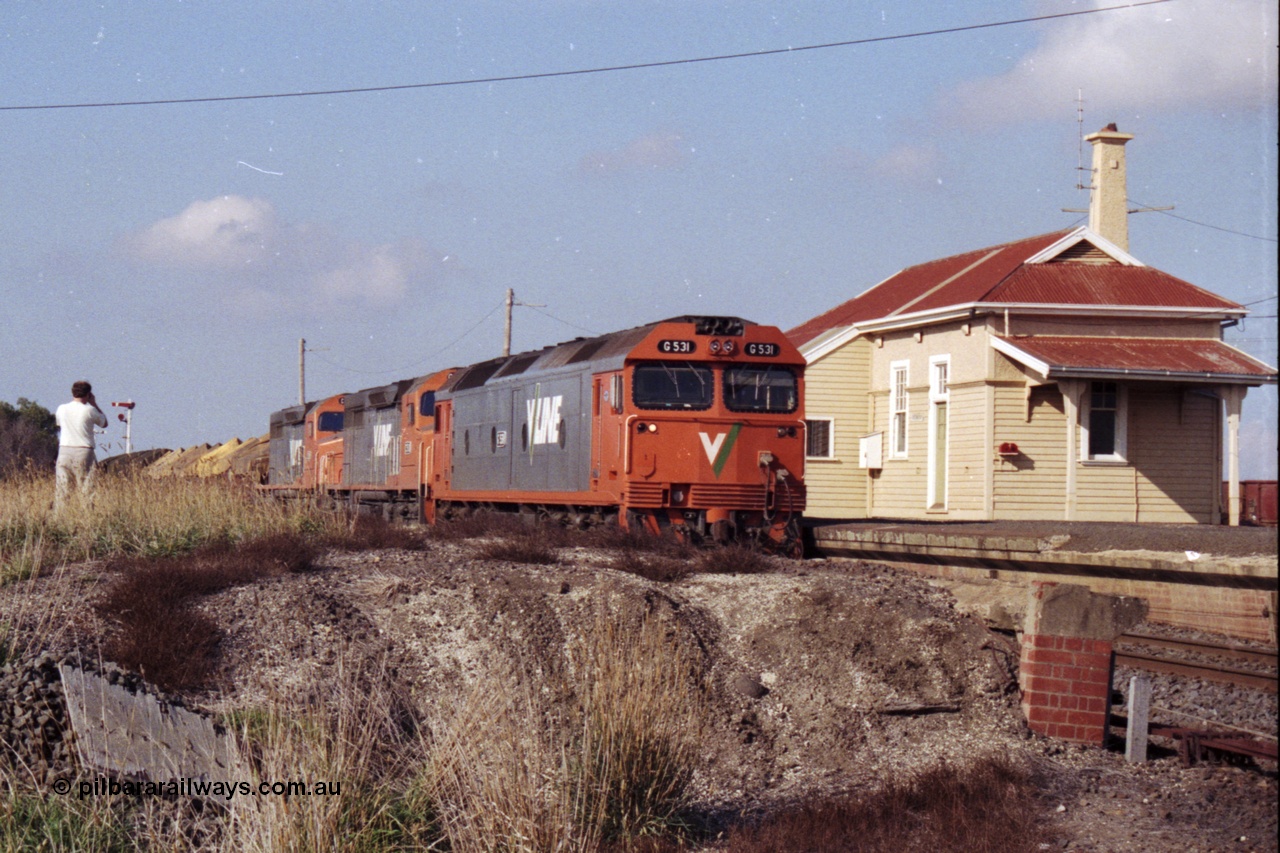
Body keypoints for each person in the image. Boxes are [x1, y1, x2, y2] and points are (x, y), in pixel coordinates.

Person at [54, 380, 108, 511]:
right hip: (83, 450)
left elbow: (60, 424)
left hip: (64, 450)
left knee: (62, 489)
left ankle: (59, 519)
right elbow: (104, 423)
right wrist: (94, 403)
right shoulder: (90, 410)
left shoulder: (61, 408)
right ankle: (86, 517)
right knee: (86, 489)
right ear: (88, 394)